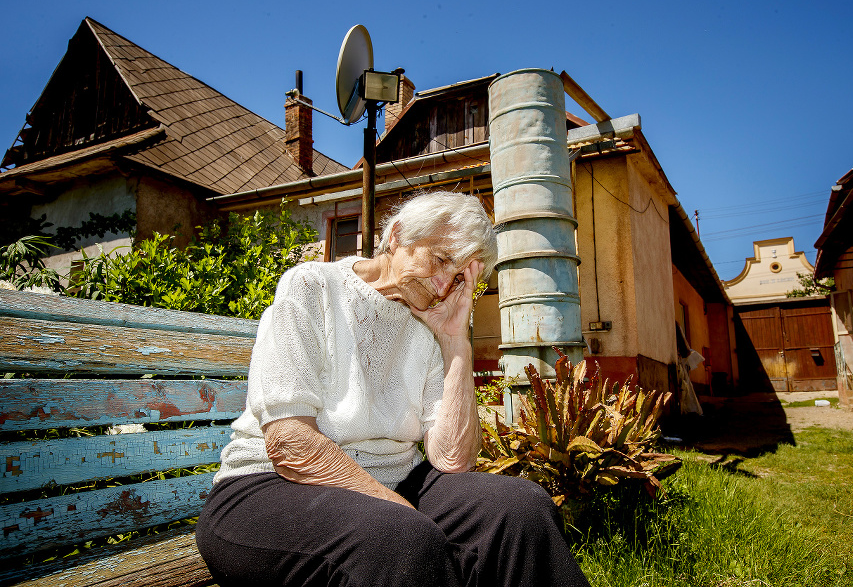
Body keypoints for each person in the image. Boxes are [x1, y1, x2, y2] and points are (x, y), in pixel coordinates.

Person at [196, 191, 590, 587]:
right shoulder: (313, 286)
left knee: (521, 507)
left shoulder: (429, 324)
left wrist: (454, 341)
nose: (442, 285)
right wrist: (403, 511)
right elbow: (289, 443)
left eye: (458, 278)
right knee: (400, 539)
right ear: (398, 236)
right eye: (439, 260)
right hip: (267, 489)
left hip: (392, 487)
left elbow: (452, 460)